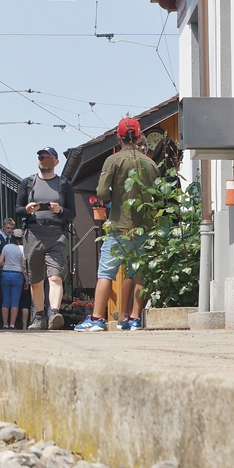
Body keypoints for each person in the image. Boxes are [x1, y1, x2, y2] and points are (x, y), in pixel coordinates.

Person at [76, 117, 161, 332]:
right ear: (140, 136)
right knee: (139, 273)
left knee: (106, 272)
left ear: (118, 137)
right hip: (144, 227)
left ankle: (96, 319)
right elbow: (157, 197)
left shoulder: (112, 161)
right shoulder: (150, 163)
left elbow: (102, 193)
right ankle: (134, 319)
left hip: (118, 226)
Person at [16, 147, 75, 330]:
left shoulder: (64, 184)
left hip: (56, 234)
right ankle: (39, 317)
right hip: (33, 233)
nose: (44, 160)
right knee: (36, 280)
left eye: (48, 158)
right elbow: (17, 209)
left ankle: (55, 313)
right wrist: (27, 209)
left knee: (55, 276)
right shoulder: (28, 182)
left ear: (56, 162)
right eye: (41, 157)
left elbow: (72, 214)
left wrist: (59, 210)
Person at [0, 218, 27, 328]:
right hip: (17, 275)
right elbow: (23, 266)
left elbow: (0, 262)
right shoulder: (22, 249)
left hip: (5, 274)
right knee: (15, 301)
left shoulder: (6, 247)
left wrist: (8, 265)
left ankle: (5, 324)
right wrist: (26, 279)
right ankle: (12, 324)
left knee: (5, 301)